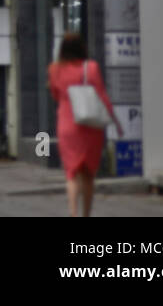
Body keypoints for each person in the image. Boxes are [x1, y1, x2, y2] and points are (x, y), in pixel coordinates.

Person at [49, 32, 121, 217]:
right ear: (82, 47)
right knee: (88, 174)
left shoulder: (55, 70)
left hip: (67, 124)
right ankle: (86, 214)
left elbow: (56, 95)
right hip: (90, 125)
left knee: (72, 173)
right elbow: (103, 96)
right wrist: (115, 121)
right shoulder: (91, 68)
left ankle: (73, 213)